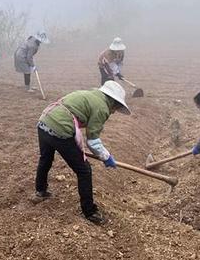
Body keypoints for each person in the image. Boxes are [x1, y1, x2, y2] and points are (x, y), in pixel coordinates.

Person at [34, 80, 131, 225]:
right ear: (113, 101)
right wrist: (106, 157)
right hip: (60, 127)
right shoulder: (102, 108)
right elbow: (92, 141)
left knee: (46, 158)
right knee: (84, 170)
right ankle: (89, 211)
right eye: (116, 107)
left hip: (45, 120)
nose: (114, 111)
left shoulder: (91, 94)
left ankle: (40, 190)